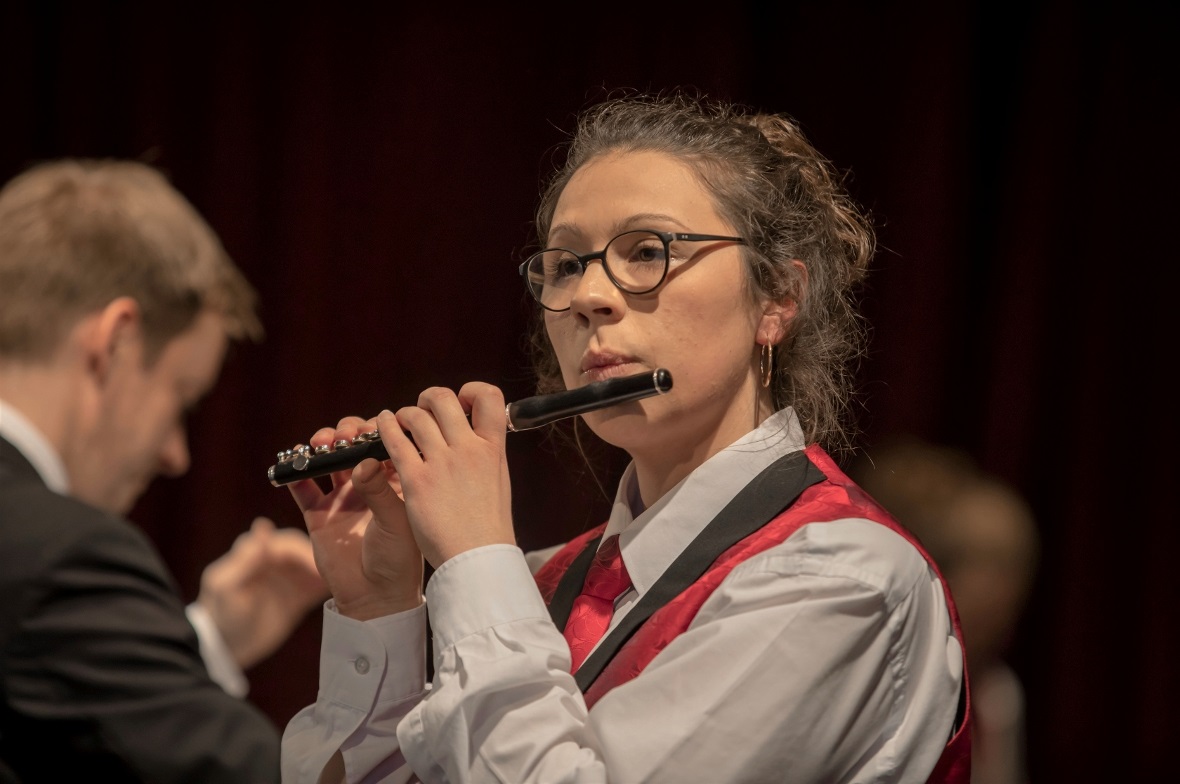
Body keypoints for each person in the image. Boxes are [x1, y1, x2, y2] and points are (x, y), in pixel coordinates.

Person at [280, 91, 971, 783]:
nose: (587, 297)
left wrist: (474, 555)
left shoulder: (838, 577)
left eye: (647, 250)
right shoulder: (541, 582)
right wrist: (381, 606)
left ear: (775, 301)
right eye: (567, 264)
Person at [0, 159, 328, 783]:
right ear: (116, 340)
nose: (176, 454)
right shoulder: (60, 557)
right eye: (180, 397)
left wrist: (204, 642)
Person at [849, 435, 1040, 784]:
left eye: (1016, 565)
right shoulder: (886, 679)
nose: (1000, 590)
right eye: (978, 561)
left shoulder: (1000, 697)